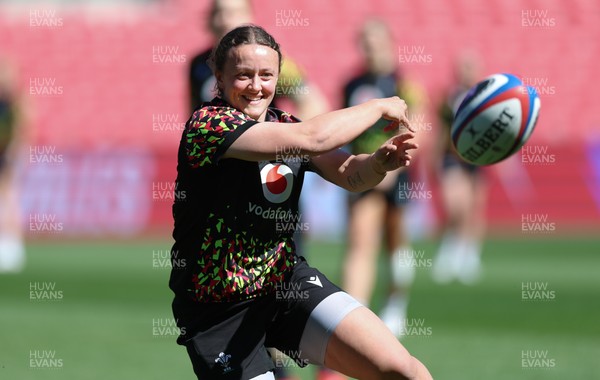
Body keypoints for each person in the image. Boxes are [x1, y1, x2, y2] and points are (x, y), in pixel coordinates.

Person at [169, 25, 432, 380]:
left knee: (404, 370)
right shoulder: (208, 125)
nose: (256, 86)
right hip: (218, 310)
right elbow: (312, 137)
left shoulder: (286, 123)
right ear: (219, 75)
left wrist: (377, 164)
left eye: (266, 75)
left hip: (286, 286)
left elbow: (349, 175)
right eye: (243, 75)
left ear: (278, 78)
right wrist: (377, 107)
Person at [340, 19, 427, 338]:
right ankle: (355, 312)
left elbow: (418, 126)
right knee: (361, 238)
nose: (371, 49)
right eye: (365, 42)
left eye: (376, 42)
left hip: (397, 174)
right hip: (365, 171)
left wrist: (398, 168)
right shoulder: (352, 85)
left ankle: (395, 303)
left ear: (390, 44)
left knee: (395, 242)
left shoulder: (405, 84)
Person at [189, 0, 328, 119]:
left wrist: (284, 139)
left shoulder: (270, 60)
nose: (225, 20)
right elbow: (194, 114)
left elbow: (314, 105)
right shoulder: (199, 64)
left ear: (249, 17)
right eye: (218, 13)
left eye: (234, 13)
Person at [431, 51, 487, 285]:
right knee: (456, 205)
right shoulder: (450, 98)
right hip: (452, 156)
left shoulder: (487, 97)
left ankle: (469, 254)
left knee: (474, 208)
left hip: (478, 158)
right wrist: (435, 158)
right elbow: (442, 130)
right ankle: (449, 250)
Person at [0, 57, 26, 273]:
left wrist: (17, 152)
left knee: (8, 197)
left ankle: (12, 246)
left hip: (7, 154)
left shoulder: (16, 102)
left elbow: (23, 129)